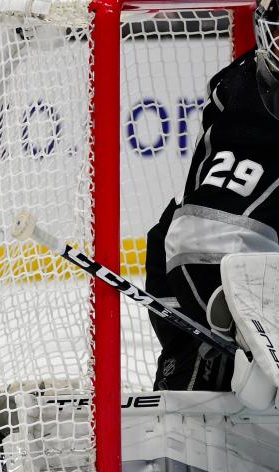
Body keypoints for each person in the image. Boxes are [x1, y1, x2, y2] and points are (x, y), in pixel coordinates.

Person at [145, 0, 279, 408]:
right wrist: (243, 331)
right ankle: (199, 375)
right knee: (197, 360)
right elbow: (199, 244)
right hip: (204, 277)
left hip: (204, 267)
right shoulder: (239, 98)